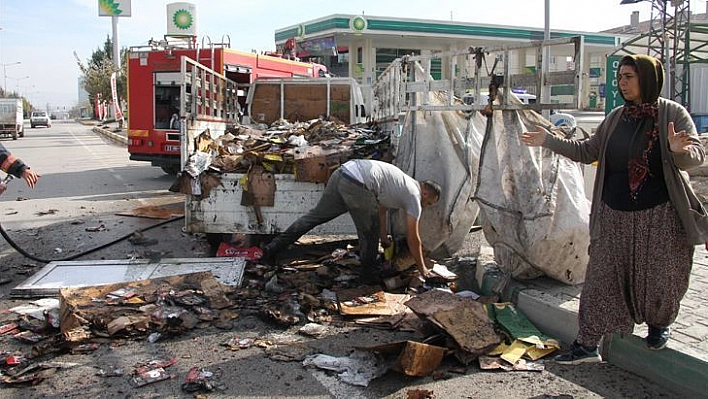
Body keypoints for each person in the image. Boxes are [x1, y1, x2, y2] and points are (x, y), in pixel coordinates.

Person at [521, 54, 708, 364]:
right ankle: (586, 345)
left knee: (660, 276)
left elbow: (695, 156)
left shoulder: (672, 113)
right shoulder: (616, 117)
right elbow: (587, 151)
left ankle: (659, 325)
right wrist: (548, 140)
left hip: (659, 216)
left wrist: (678, 151)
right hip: (613, 214)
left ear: (647, 78)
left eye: (629, 77)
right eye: (620, 77)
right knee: (601, 278)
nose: (622, 83)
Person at [261, 159, 442, 283]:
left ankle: (272, 248)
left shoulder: (402, 183)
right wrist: (422, 269)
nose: (425, 206)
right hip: (357, 183)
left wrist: (385, 238)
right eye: (428, 203)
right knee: (369, 235)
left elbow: (380, 211)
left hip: (343, 173)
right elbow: (413, 238)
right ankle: (367, 277)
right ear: (425, 193)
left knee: (314, 217)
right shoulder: (413, 195)